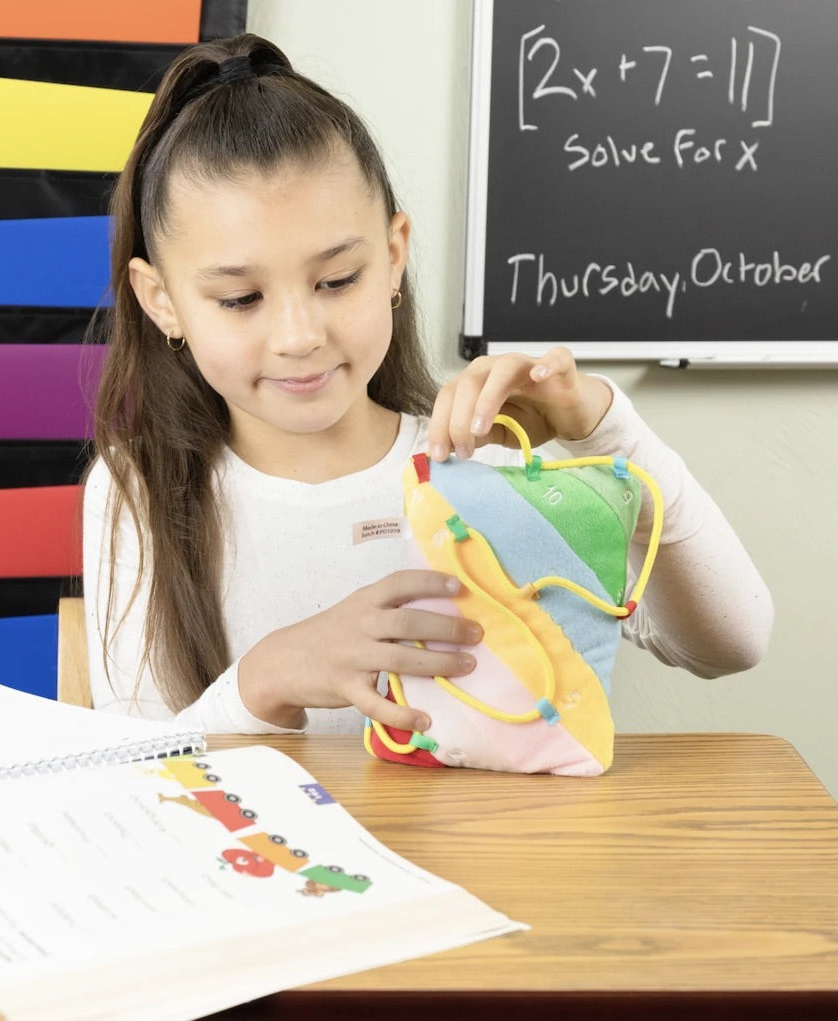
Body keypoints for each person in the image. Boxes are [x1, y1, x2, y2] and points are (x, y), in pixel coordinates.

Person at [82, 33, 773, 736]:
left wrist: (606, 425)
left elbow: (731, 642)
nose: (298, 334)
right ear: (161, 299)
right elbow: (133, 774)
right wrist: (267, 677)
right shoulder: (135, 489)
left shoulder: (479, 467)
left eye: (336, 280)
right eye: (239, 299)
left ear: (392, 256)